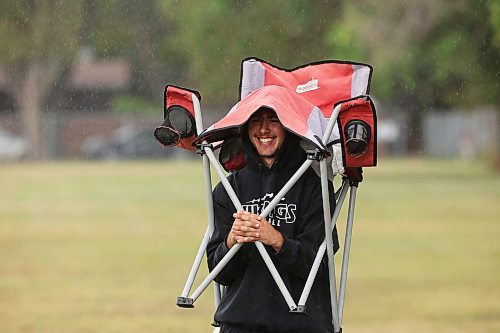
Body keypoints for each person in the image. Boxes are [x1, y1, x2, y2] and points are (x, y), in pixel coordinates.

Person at [207, 107, 339, 333]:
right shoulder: (227, 189)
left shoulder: (316, 188)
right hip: (239, 324)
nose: (264, 129)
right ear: (245, 129)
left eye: (274, 120)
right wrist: (231, 242)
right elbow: (219, 273)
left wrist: (277, 240)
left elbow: (316, 264)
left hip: (301, 324)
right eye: (255, 121)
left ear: (289, 126)